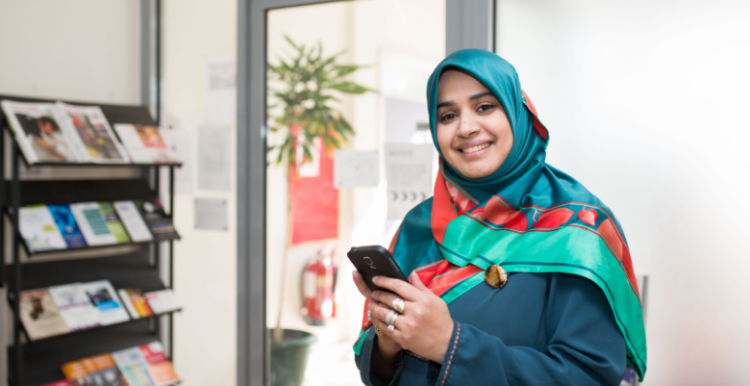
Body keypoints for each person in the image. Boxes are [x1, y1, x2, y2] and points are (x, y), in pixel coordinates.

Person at [352, 49, 647, 386]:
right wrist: (389, 338)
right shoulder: (419, 225)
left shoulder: (576, 227)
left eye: (484, 107)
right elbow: (375, 373)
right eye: (447, 115)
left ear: (517, 113)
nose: (465, 127)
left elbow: (589, 376)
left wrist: (450, 345)